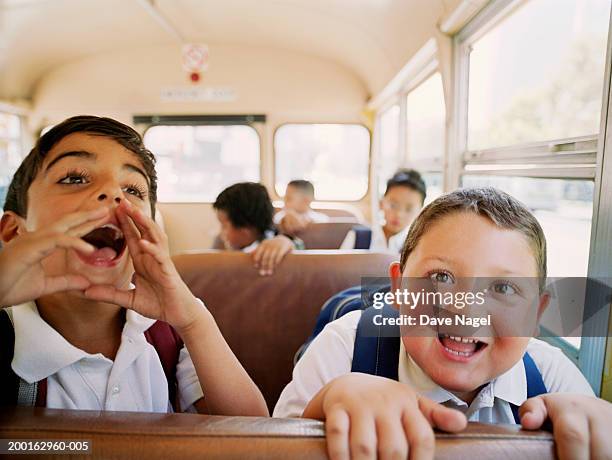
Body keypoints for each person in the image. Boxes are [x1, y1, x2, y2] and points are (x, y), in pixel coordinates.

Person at [274, 187, 612, 460]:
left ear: (536, 314)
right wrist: (323, 406)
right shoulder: (342, 349)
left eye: (503, 288)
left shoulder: (553, 379)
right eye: (441, 277)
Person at [0, 115, 268, 415]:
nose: (113, 193)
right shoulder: (10, 336)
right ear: (14, 232)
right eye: (75, 178)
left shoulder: (169, 333)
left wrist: (194, 323)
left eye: (133, 190)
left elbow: (251, 433)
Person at [213, 182, 303, 276]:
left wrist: (286, 242)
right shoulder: (220, 243)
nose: (221, 233)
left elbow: (298, 246)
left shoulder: (275, 240)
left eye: (224, 226)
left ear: (246, 230)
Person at [340, 169, 425, 253]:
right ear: (381, 203)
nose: (399, 214)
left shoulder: (416, 248)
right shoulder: (358, 237)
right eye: (393, 205)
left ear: (419, 213)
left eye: (409, 209)